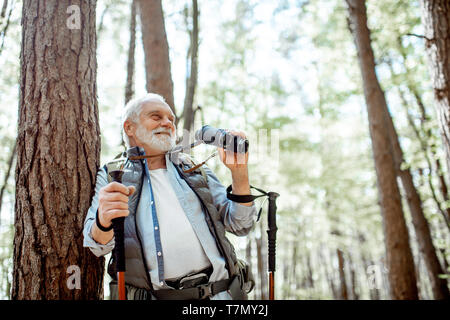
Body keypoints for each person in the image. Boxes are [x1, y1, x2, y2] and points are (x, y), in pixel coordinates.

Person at [83, 93, 256, 300]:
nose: (167, 123)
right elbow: (96, 246)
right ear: (129, 128)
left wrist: (239, 173)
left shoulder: (195, 168)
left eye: (171, 119)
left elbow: (241, 225)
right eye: (156, 117)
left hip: (222, 295)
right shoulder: (112, 174)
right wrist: (104, 219)